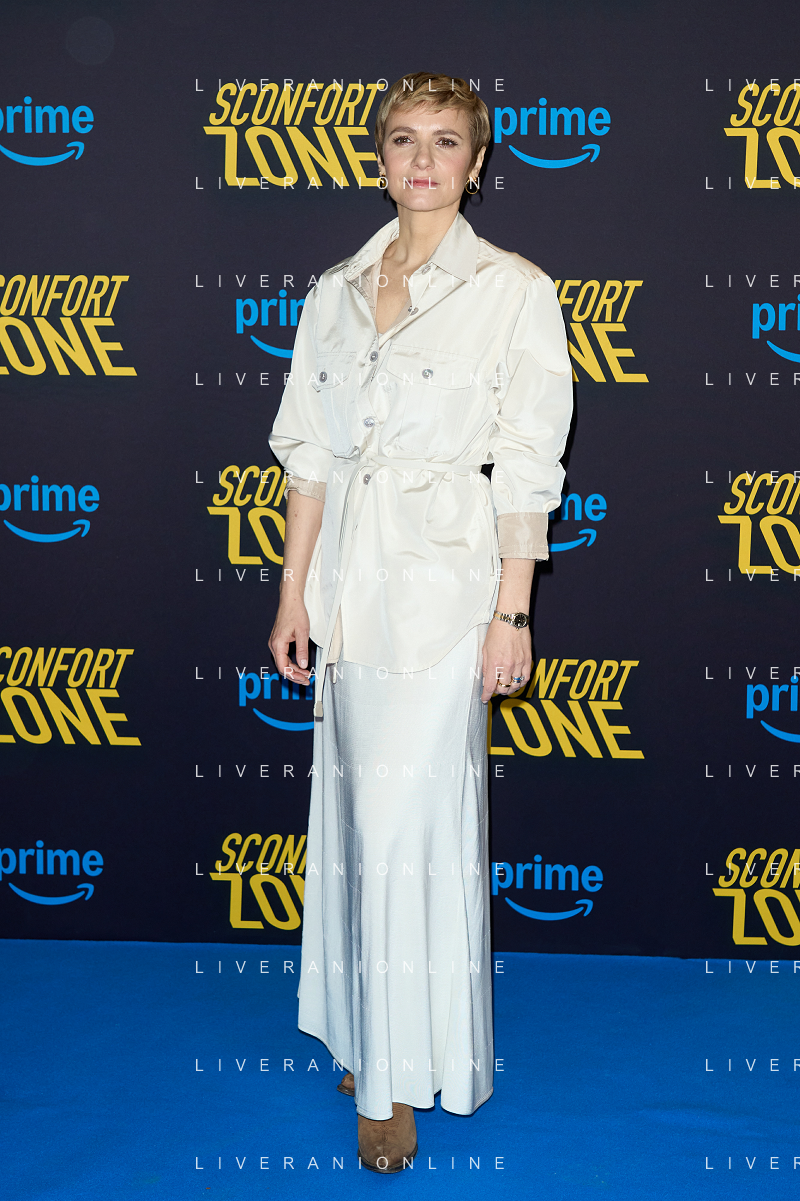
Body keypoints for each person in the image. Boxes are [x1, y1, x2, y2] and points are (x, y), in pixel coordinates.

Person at [268, 71, 572, 1173]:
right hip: (349, 591)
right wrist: (294, 590)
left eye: (446, 141)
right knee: (357, 827)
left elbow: (528, 465)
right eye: (404, 139)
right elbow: (309, 454)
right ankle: (366, 1033)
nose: (424, 159)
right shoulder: (335, 291)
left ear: (476, 165)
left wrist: (512, 611)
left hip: (445, 597)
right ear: (380, 159)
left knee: (405, 833)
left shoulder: (514, 291)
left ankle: (395, 1081)